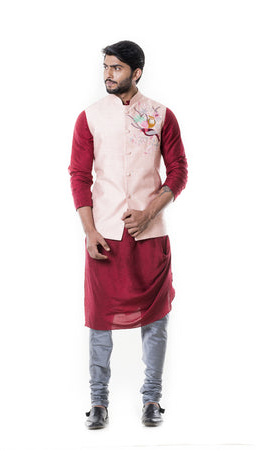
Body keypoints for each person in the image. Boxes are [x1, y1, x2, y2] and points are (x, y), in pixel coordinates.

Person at [69, 40, 188, 429]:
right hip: (103, 234)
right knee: (98, 319)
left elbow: (179, 171)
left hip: (150, 236)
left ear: (136, 73)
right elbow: (79, 176)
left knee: (156, 319)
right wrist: (89, 231)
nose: (108, 74)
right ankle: (98, 402)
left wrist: (150, 211)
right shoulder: (89, 117)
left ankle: (152, 399)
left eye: (116, 68)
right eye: (105, 67)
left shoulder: (161, 115)